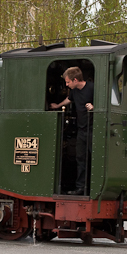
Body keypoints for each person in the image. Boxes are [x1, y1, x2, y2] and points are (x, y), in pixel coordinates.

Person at [50, 66, 94, 196]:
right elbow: (69, 100)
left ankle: (93, 187)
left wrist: (93, 107)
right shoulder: (74, 92)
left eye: (68, 82)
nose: (67, 84)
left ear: (75, 80)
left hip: (93, 129)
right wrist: (57, 106)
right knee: (80, 158)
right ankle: (80, 187)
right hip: (81, 129)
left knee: (94, 158)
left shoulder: (92, 88)